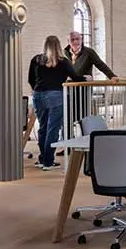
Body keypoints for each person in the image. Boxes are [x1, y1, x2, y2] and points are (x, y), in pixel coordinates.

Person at [28, 36, 85, 170]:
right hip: (56, 95)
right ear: (59, 46)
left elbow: (31, 79)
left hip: (38, 95)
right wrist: (86, 78)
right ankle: (48, 161)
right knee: (53, 129)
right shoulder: (63, 61)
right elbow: (76, 77)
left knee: (42, 128)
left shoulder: (36, 59)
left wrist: (38, 89)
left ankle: (43, 159)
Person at [63, 31, 118, 143]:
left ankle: (87, 142)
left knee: (84, 117)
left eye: (77, 39)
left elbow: (100, 64)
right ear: (68, 41)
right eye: (72, 40)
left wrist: (112, 76)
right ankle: (67, 143)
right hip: (68, 91)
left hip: (83, 91)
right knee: (67, 118)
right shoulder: (64, 53)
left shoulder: (88, 52)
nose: (75, 42)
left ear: (81, 39)